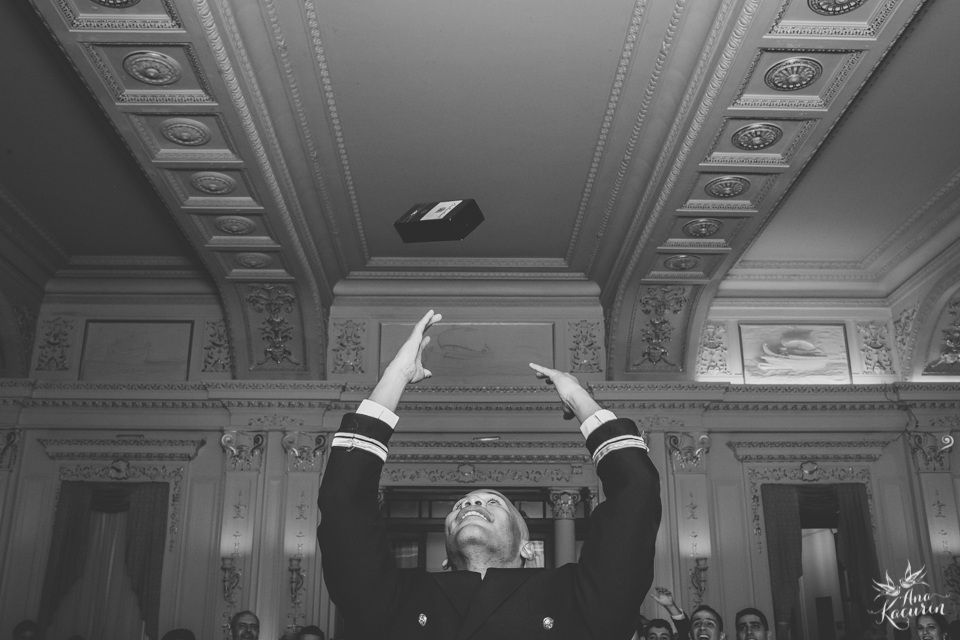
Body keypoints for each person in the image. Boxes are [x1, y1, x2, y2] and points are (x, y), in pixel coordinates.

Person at [318, 310, 661, 639]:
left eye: (493, 501)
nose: (473, 502)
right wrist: (395, 377)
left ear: (528, 547)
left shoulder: (576, 598)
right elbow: (344, 505)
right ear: (445, 554)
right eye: (462, 503)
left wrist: (577, 396)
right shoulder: (398, 599)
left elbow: (636, 495)